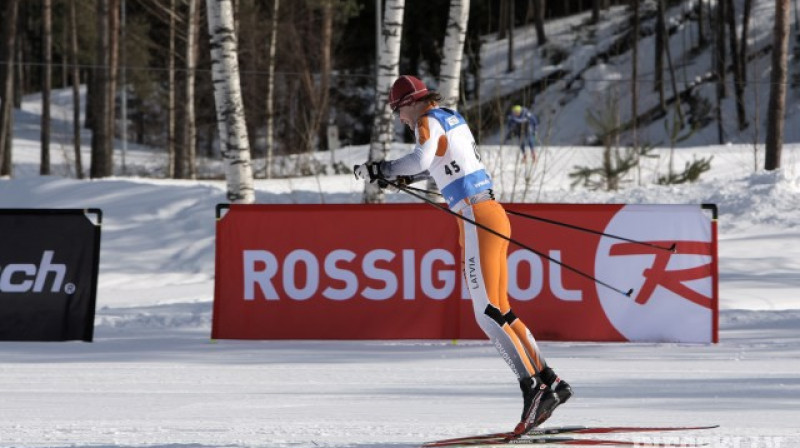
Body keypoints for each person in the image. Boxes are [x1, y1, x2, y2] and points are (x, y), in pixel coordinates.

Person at [354, 75, 572, 435]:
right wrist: (408, 177)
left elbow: (421, 157)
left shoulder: (426, 121)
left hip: (474, 215)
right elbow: (443, 162)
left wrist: (384, 169)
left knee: (486, 312)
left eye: (398, 110)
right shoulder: (450, 117)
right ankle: (549, 380)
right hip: (490, 212)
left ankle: (534, 387)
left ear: (412, 102)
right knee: (500, 309)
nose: (400, 118)